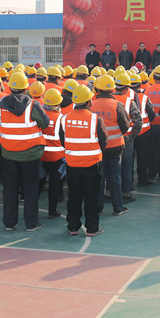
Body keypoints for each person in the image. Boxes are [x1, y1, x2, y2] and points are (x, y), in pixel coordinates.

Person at [0, 71, 49, 232]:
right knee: (30, 189)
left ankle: (9, 222)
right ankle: (31, 223)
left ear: (10, 87)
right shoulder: (33, 105)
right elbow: (45, 123)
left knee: (10, 189)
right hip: (30, 155)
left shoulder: (0, 104)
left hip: (8, 153)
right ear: (26, 88)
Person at [59, 85, 108, 236]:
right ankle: (92, 228)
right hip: (92, 164)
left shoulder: (64, 119)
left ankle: (73, 226)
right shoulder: (95, 119)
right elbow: (104, 141)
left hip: (72, 164)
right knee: (91, 197)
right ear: (88, 102)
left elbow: (62, 140)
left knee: (74, 196)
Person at [91, 75, 130, 216]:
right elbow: (125, 126)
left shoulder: (91, 104)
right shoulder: (117, 104)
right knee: (115, 177)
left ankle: (98, 207)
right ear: (112, 89)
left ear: (98, 89)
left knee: (100, 179)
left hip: (98, 148)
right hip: (115, 147)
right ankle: (118, 207)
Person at [39, 89, 65, 219]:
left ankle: (31, 209)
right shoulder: (61, 118)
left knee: (38, 183)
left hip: (41, 155)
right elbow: (64, 138)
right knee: (54, 185)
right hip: (57, 157)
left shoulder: (40, 115)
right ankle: (52, 211)